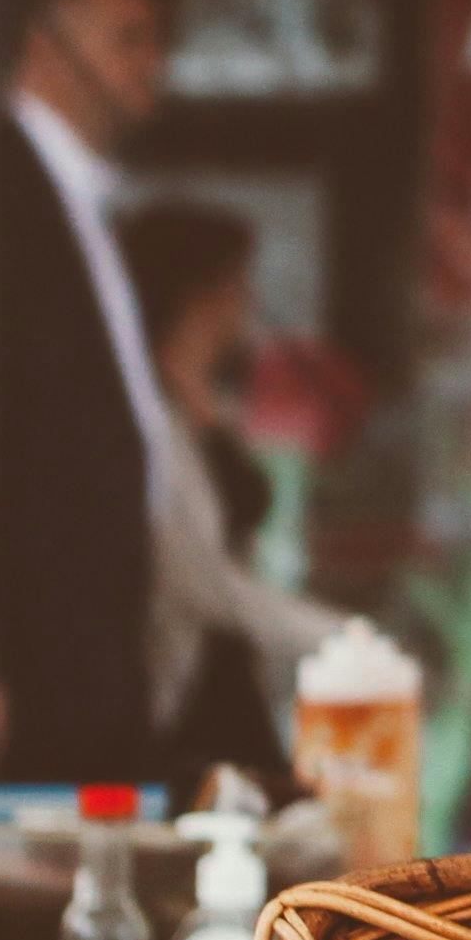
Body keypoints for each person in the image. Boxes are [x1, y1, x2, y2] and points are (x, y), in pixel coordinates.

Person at [0, 0, 175, 782]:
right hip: (32, 654)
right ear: (45, 43)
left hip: (95, 645)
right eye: (125, 39)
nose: (150, 65)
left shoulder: (80, 197)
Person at [119, 197, 345, 796]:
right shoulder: (150, 415)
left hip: (229, 676)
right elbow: (197, 576)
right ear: (203, 293)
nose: (249, 300)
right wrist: (335, 638)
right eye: (240, 282)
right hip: (191, 688)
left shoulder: (206, 401)